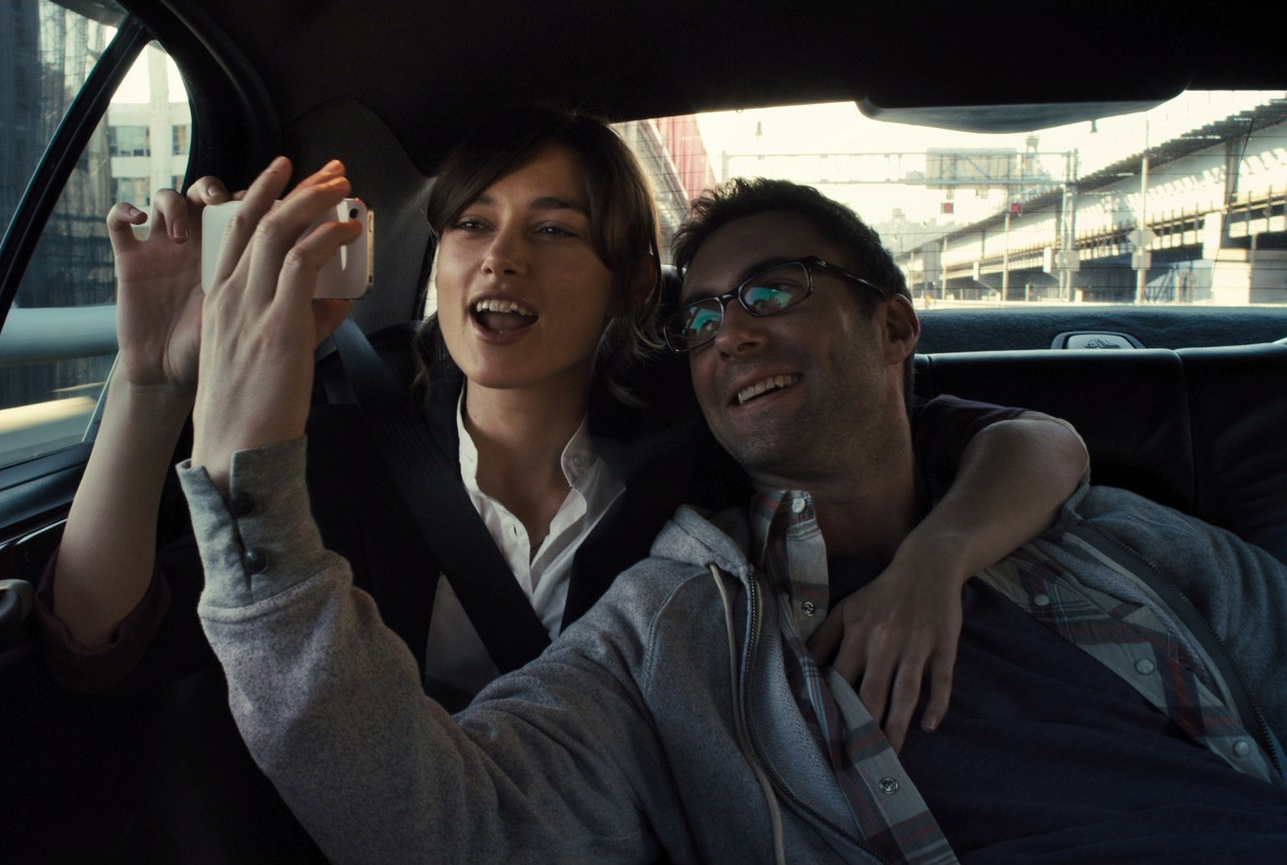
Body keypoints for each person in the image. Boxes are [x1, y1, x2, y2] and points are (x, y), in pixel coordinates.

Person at [180, 173, 1287, 864]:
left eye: (771, 291)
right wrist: (250, 479)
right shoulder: (671, 628)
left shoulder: (1112, 544)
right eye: (700, 313)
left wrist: (942, 554)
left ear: (894, 326)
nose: (727, 333)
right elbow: (437, 821)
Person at [41, 106, 1082, 741]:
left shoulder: (709, 431)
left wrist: (936, 556)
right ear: (436, 261)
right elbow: (97, 640)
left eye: (554, 230)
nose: (503, 261)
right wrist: (147, 383)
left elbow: (1032, 443)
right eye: (473, 226)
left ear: (633, 287)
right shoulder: (338, 450)